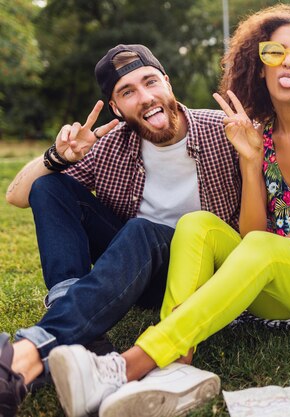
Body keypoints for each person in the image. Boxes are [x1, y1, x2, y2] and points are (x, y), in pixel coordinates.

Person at [47, 5, 290, 417]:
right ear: (259, 66)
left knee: (265, 248)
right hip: (275, 286)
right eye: (275, 52)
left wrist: (234, 273)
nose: (288, 62)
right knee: (197, 224)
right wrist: (251, 163)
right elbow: (249, 235)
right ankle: (178, 366)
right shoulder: (258, 133)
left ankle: (129, 364)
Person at [0, 44, 241, 417]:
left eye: (150, 82)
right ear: (116, 108)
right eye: (127, 92)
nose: (145, 98)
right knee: (49, 186)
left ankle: (29, 354)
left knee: (143, 230)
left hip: (200, 274)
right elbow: (17, 195)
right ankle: (79, 326)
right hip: (134, 268)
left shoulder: (221, 131)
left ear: (167, 82)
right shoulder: (111, 144)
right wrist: (57, 157)